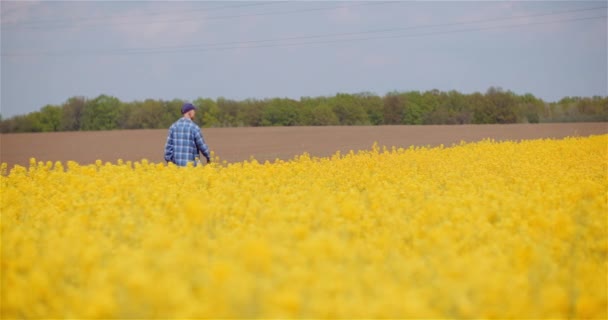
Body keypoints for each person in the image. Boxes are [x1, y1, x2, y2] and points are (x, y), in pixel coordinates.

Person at [164, 102, 211, 166]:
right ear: (189, 112)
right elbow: (202, 146)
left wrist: (170, 163)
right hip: (191, 168)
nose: (195, 113)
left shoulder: (173, 127)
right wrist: (209, 157)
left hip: (176, 170)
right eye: (194, 111)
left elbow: (168, 148)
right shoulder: (194, 127)